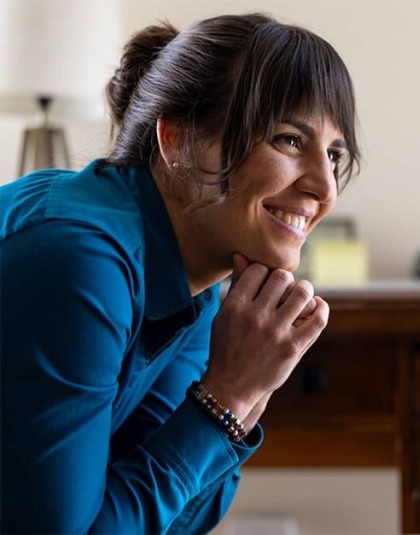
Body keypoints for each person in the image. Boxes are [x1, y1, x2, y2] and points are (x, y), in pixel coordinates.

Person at [0, 13, 359, 534]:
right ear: (177, 142)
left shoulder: (198, 287)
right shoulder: (78, 262)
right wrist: (230, 394)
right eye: (287, 140)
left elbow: (168, 517)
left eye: (333, 153)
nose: (325, 188)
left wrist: (249, 391)